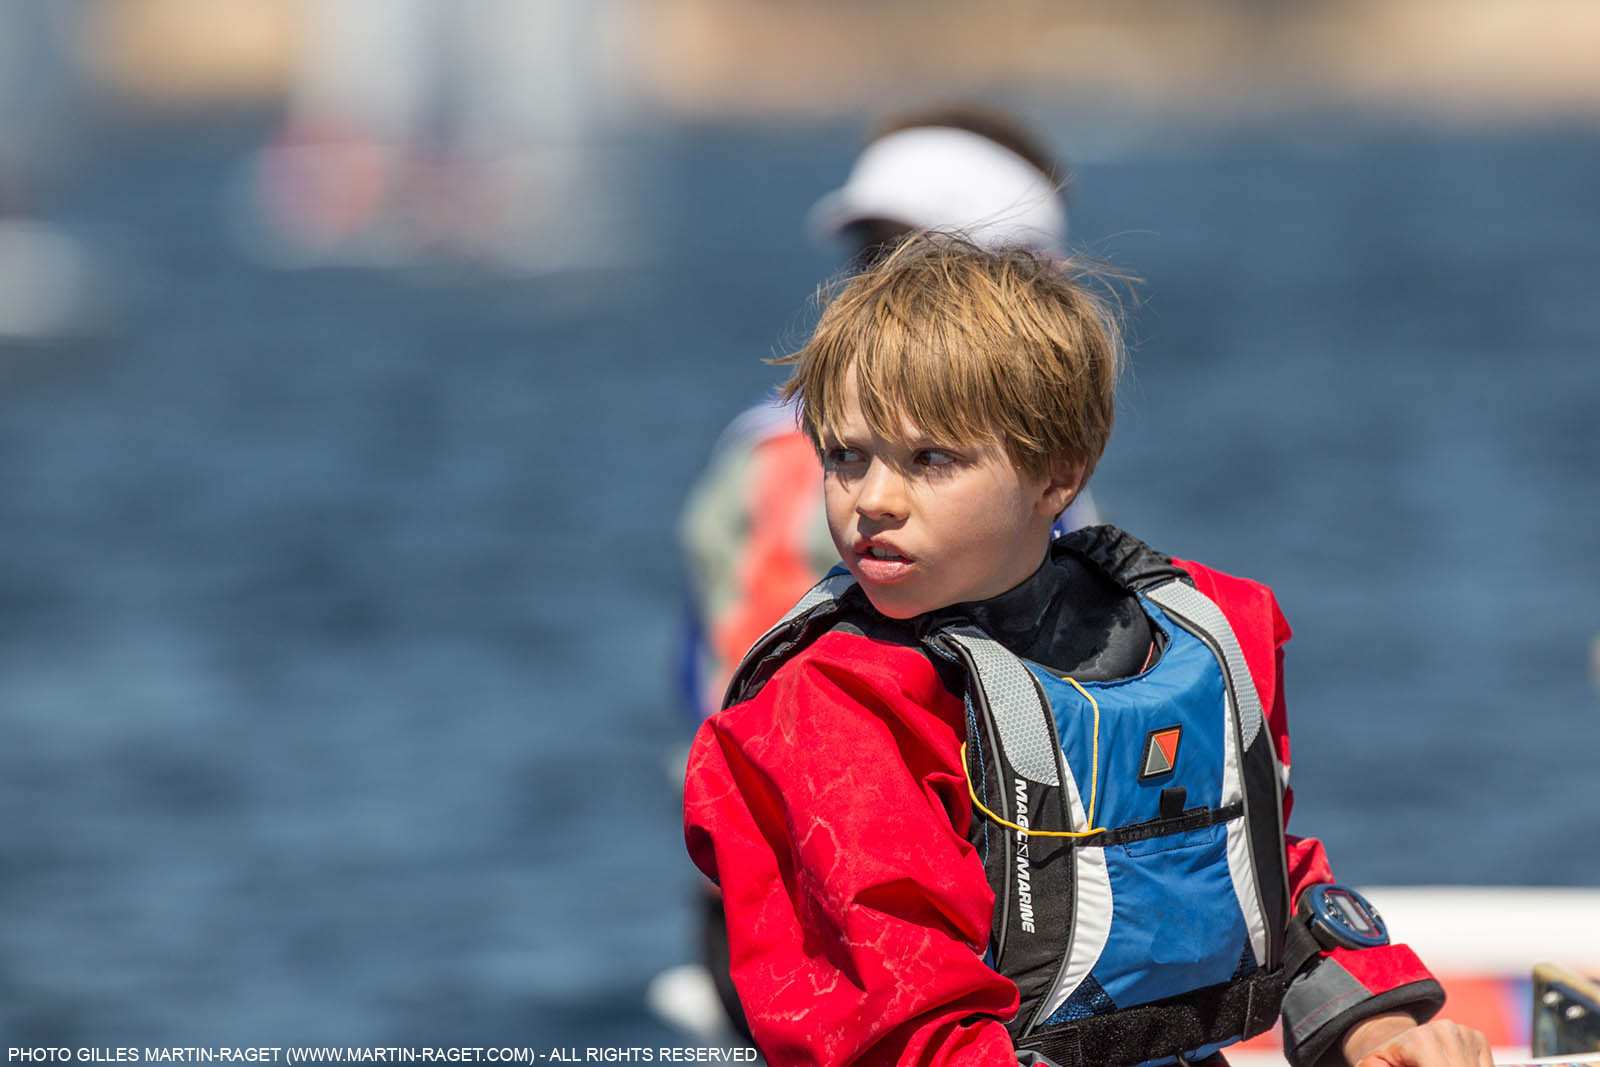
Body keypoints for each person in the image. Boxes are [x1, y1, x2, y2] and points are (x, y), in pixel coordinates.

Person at [682, 237, 1491, 1067]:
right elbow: (901, 1010)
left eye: (930, 459)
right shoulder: (831, 710)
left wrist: (1375, 1025)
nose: (872, 500)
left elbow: (1255, 874)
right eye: (846, 456)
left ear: (1057, 477)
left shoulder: (1185, 639)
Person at [679, 105, 1098, 724]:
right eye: (871, 255)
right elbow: (759, 711)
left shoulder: (1032, 453)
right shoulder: (794, 457)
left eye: (919, 263)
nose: (879, 287)